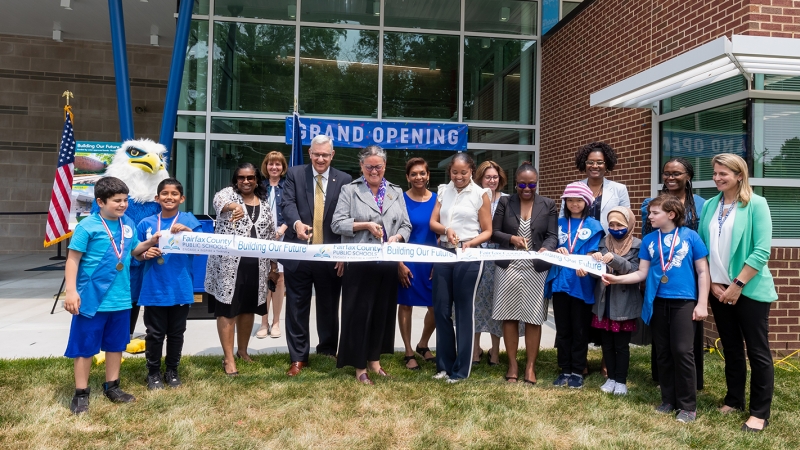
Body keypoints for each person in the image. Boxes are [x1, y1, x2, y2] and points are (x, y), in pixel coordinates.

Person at [604, 194, 710, 424]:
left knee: (683, 351)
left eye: (654, 213)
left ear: (671, 214)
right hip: (656, 301)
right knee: (662, 352)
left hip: (684, 302)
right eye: (649, 212)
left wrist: (702, 303)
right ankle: (668, 400)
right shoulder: (650, 240)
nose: (649, 216)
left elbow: (703, 272)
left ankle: (688, 405)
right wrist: (616, 280)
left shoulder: (691, 237)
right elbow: (641, 273)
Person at [63, 176, 161, 414]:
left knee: (116, 345)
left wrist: (150, 242)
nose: (123, 205)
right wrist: (71, 291)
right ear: (100, 201)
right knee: (85, 347)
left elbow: (134, 251)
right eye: (117, 201)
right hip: (92, 299)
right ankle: (81, 393)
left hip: (121, 298)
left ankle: (112, 386)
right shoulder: (87, 226)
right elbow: (73, 260)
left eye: (125, 200)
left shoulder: (127, 224)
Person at [698, 153, 777, 432]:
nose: (717, 178)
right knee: (731, 348)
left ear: (739, 175)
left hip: (749, 290)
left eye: (724, 173)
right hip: (719, 290)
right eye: (715, 173)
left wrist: (737, 285)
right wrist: (715, 285)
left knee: (757, 351)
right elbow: (702, 247)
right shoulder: (710, 204)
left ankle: (759, 412)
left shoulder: (756, 204)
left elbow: (761, 250)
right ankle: (734, 399)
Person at [331, 146, 412, 384]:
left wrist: (398, 237)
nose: (374, 170)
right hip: (359, 262)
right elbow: (337, 224)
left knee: (381, 313)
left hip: (386, 264)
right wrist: (364, 225)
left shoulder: (396, 192)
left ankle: (374, 361)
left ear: (385, 166)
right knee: (358, 315)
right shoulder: (350, 190)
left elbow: (406, 225)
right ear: (362, 168)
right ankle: (359, 367)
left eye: (378, 166)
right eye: (369, 167)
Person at [281, 134, 352, 376]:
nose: (320, 158)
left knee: (329, 306)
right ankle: (298, 357)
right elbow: (287, 204)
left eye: (325, 154)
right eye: (316, 154)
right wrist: (296, 224)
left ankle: (328, 350)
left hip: (329, 255)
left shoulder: (344, 179)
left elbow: (346, 218)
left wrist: (343, 254)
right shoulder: (294, 174)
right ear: (309, 154)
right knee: (296, 306)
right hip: (299, 254)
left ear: (332, 155)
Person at [205, 163, 278, 376]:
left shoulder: (264, 204)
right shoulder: (228, 195)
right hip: (228, 267)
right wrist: (232, 207)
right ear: (235, 180)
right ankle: (228, 359)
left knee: (247, 310)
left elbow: (270, 236)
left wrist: (273, 266)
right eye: (241, 178)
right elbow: (219, 201)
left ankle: (242, 351)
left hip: (256, 267)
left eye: (250, 178)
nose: (246, 182)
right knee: (228, 310)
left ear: (257, 180)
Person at [642, 158, 707, 390]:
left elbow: (702, 242)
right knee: (662, 335)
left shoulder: (701, 205)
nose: (670, 177)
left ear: (688, 176)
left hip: (687, 274)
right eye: (666, 173)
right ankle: (663, 380)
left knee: (686, 337)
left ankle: (691, 381)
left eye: (676, 173)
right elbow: (648, 238)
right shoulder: (651, 204)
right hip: (659, 276)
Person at [491, 163, 558, 384]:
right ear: (515, 182)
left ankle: (530, 367)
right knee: (509, 316)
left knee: (533, 317)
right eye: (521, 184)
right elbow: (494, 232)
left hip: (535, 268)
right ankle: (512, 364)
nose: (526, 188)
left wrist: (546, 248)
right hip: (509, 266)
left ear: (536, 183)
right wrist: (511, 239)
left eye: (531, 184)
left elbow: (552, 235)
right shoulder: (504, 202)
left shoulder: (548, 204)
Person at [429, 153, 493, 383]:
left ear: (471, 171)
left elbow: (487, 230)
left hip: (470, 254)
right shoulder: (443, 190)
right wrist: (446, 230)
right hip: (445, 251)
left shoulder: (480, 194)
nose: (458, 176)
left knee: (464, 311)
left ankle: (461, 371)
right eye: (454, 172)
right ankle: (444, 365)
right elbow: (433, 222)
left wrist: (471, 242)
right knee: (441, 309)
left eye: (463, 172)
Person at [135, 178, 202, 390]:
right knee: (154, 333)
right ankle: (153, 373)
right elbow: (134, 255)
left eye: (174, 194)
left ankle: (172, 371)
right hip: (154, 288)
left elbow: (202, 247)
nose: (169, 197)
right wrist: (146, 253)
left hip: (180, 288)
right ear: (157, 198)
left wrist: (189, 233)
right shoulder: (145, 224)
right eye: (165, 194)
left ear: (182, 198)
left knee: (176, 333)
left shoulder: (190, 221)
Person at [545, 182, 604, 389]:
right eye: (570, 200)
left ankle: (578, 370)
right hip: (561, 282)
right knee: (563, 329)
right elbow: (549, 246)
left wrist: (587, 260)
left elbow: (594, 252)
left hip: (582, 282)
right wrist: (556, 251)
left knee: (580, 329)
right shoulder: (558, 223)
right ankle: (564, 369)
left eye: (579, 200)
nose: (574, 204)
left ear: (586, 202)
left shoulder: (594, 226)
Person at [586, 206, 642, 396]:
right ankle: (610, 378)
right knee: (607, 344)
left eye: (620, 224)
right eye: (612, 224)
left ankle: (621, 380)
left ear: (629, 225)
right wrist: (592, 263)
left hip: (624, 303)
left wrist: (614, 259)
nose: (615, 227)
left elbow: (633, 270)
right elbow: (597, 274)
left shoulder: (637, 245)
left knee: (621, 345)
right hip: (604, 302)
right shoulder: (603, 242)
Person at [396, 157, 437, 370]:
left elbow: (441, 231)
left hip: (431, 262)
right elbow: (394, 233)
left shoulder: (438, 200)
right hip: (408, 262)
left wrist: (439, 262)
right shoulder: (399, 200)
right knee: (406, 305)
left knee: (437, 307)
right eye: (414, 174)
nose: (418, 177)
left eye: (422, 173)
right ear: (407, 177)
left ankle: (423, 344)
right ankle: (408, 351)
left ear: (428, 175)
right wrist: (399, 263)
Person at [472, 160, 514, 366]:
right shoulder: (473, 196)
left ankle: (495, 351)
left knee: (497, 303)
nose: (492, 180)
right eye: (487, 177)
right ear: (480, 178)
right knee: (476, 302)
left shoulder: (508, 200)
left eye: (495, 177)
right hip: (477, 254)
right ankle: (475, 350)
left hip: (500, 256)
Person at [256, 151, 290, 339]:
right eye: (271, 164)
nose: (274, 167)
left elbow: (293, 210)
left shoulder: (288, 187)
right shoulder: (259, 187)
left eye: (278, 164)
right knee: (263, 279)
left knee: (279, 279)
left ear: (283, 167)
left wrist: (281, 230)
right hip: (261, 237)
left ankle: (276, 322)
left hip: (282, 236)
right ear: (266, 166)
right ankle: (263, 322)